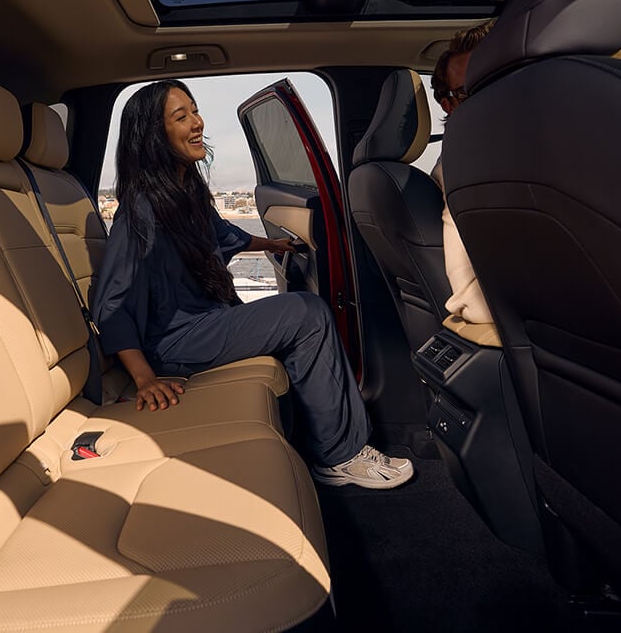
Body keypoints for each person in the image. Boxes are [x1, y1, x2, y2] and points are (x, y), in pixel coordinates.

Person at [93, 79, 414, 489]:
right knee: (307, 313)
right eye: (181, 116)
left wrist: (273, 243)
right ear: (155, 136)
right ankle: (339, 456)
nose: (197, 123)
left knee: (299, 315)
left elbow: (221, 234)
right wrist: (144, 377)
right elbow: (113, 301)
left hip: (205, 322)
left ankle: (322, 436)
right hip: (176, 341)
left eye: (195, 111)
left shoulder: (184, 191)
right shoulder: (140, 208)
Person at [431, 22, 497, 332]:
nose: (491, 98)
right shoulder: (462, 167)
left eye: (497, 81)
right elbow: (472, 299)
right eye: (471, 91)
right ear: (449, 105)